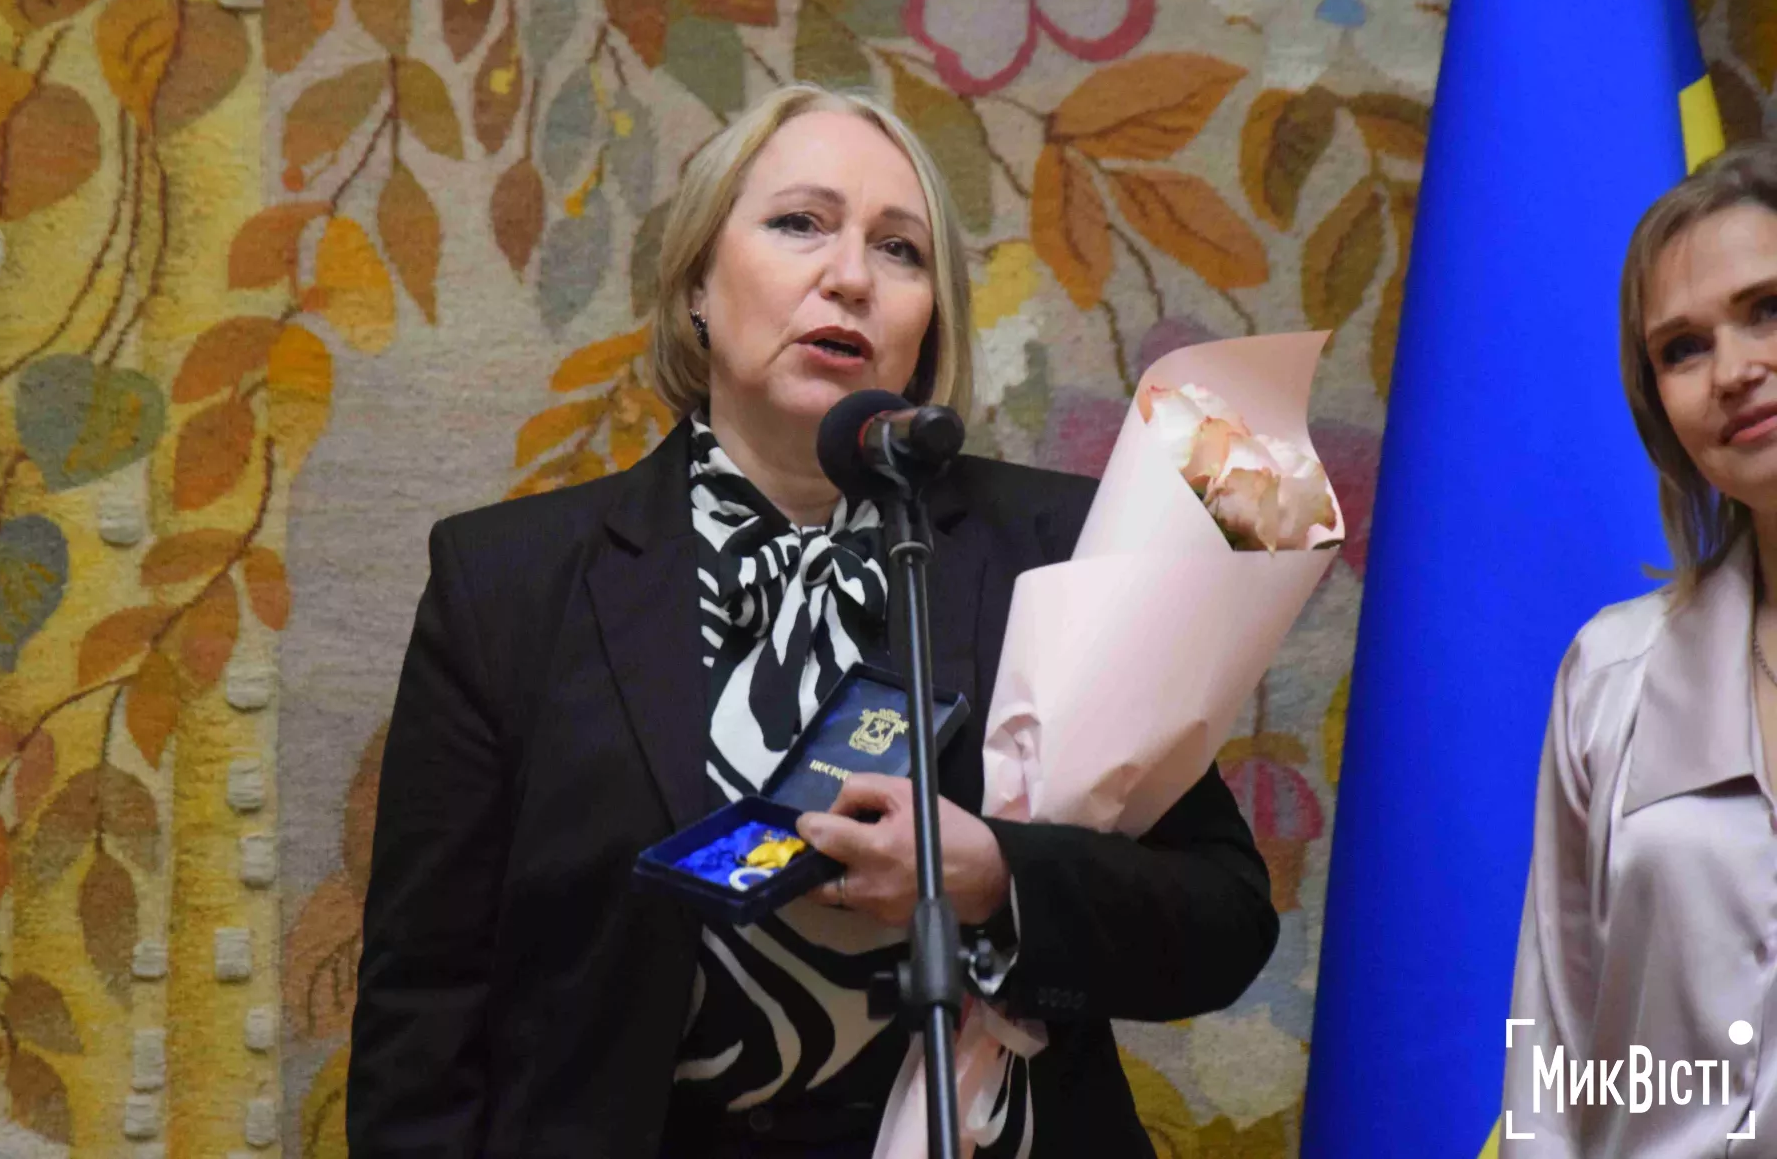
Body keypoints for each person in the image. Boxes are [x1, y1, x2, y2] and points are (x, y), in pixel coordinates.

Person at [347, 83, 1278, 1158]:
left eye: (899, 250)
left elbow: (1223, 920)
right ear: (698, 283)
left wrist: (994, 877)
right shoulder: (507, 584)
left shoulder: (1057, 553)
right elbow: (424, 1008)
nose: (849, 277)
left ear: (928, 324)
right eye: (799, 223)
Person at [1504, 143, 1777, 1152]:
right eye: (1683, 347)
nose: (1734, 370)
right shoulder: (1609, 675)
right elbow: (1552, 1064)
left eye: (1767, 308)